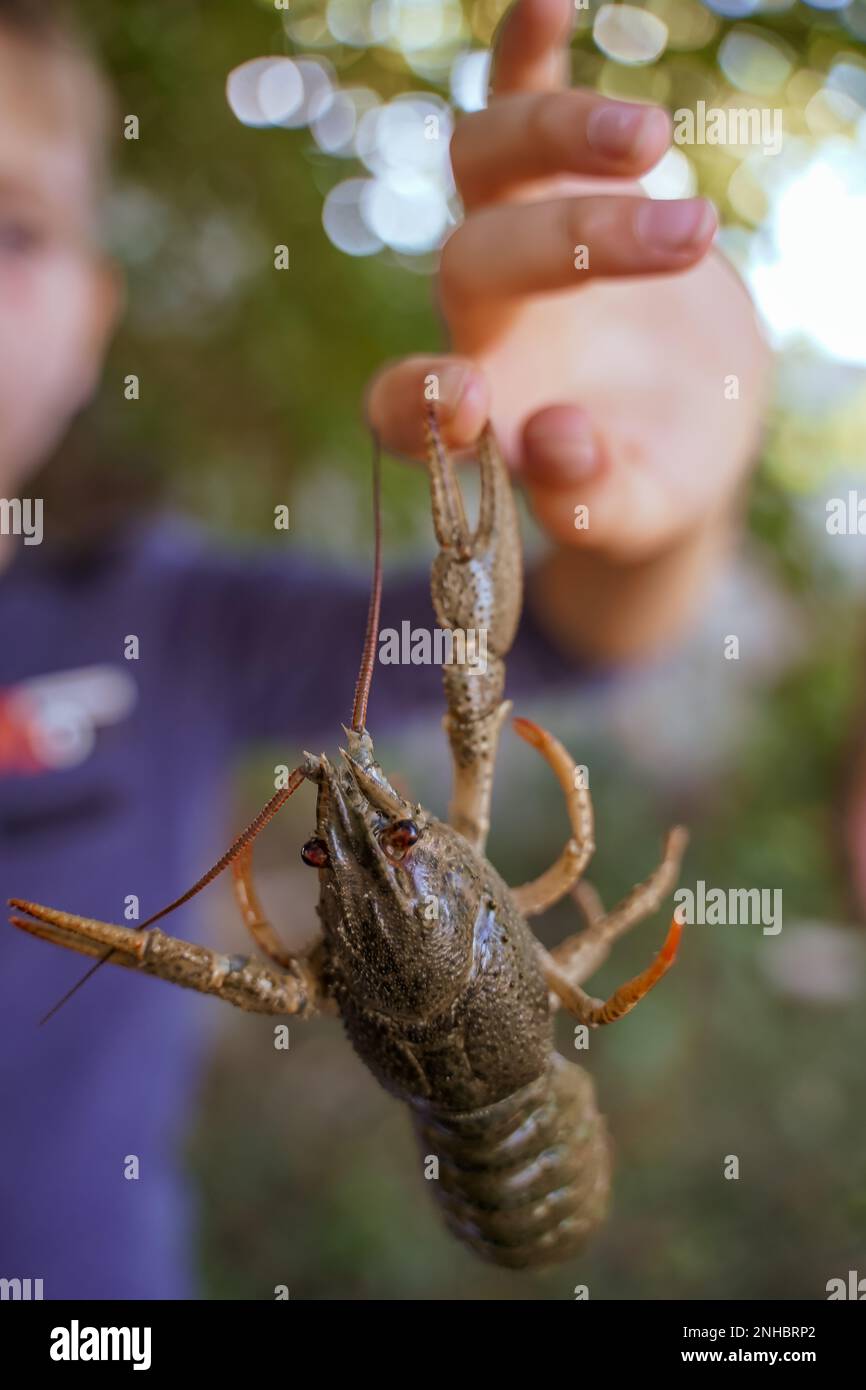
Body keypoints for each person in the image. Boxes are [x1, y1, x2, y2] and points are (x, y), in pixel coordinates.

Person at [0, 0, 768, 1299]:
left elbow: (577, 633)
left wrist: (649, 513)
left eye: (10, 227)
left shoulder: (170, 611)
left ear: (93, 318)